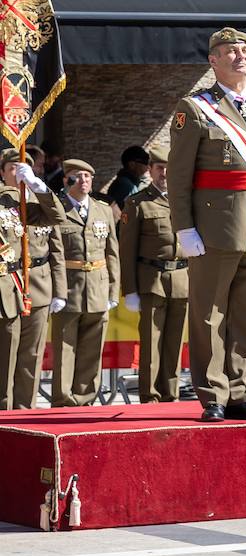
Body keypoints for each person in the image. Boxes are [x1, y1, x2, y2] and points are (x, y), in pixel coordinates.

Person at [168, 27, 246, 422]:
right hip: (215, 228)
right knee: (209, 315)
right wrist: (184, 228)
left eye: (243, 51)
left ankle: (241, 391)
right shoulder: (196, 107)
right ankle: (213, 395)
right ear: (212, 61)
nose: (238, 57)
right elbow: (179, 175)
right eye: (228, 52)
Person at [118, 147, 189, 404]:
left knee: (174, 343)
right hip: (151, 279)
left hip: (181, 279)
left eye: (169, 168)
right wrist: (131, 290)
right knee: (151, 343)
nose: (165, 173)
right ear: (150, 170)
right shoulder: (137, 203)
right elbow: (126, 251)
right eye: (159, 168)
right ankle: (150, 396)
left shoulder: (185, 200)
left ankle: (171, 395)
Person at [51, 159, 120, 407]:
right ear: (66, 180)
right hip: (69, 287)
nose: (83, 181)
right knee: (65, 348)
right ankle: (62, 400)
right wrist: (56, 293)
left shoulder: (103, 210)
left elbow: (112, 252)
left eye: (88, 177)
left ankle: (85, 398)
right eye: (77, 176)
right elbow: (55, 254)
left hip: (98, 287)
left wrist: (113, 289)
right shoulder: (57, 210)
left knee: (93, 347)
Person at [0, 153, 64, 410]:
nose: (18, 172)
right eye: (13, 167)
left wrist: (39, 187)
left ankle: (24, 413)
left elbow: (57, 218)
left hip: (28, 286)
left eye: (23, 168)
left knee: (30, 357)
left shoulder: (24, 201)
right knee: (5, 357)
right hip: (6, 287)